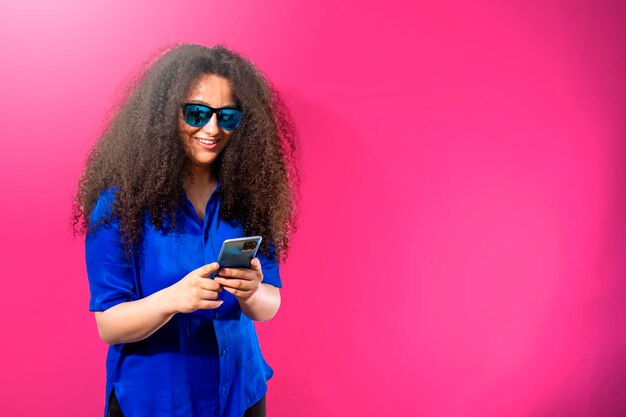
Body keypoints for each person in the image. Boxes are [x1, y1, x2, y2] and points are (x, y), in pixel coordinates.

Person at [72, 43, 299, 417]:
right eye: (196, 113)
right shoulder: (120, 204)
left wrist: (252, 292)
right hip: (157, 401)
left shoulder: (253, 195)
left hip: (241, 393)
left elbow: (268, 305)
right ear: (164, 114)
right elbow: (109, 325)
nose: (212, 128)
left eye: (227, 117)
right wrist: (174, 299)